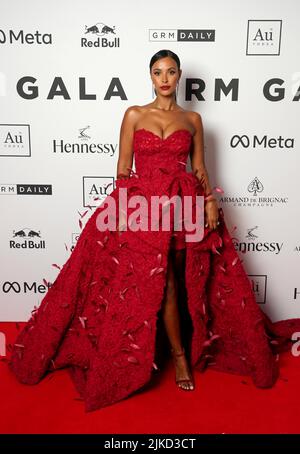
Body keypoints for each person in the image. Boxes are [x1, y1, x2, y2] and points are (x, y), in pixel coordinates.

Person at [8, 49, 300, 412]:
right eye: (158, 72)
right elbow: (122, 169)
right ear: (151, 76)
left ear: (179, 77)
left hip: (183, 208)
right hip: (143, 210)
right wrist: (122, 209)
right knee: (163, 284)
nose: (164, 78)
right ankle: (178, 357)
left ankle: (176, 350)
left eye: (171, 72)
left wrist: (209, 201)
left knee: (181, 278)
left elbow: (200, 168)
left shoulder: (193, 118)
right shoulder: (133, 114)